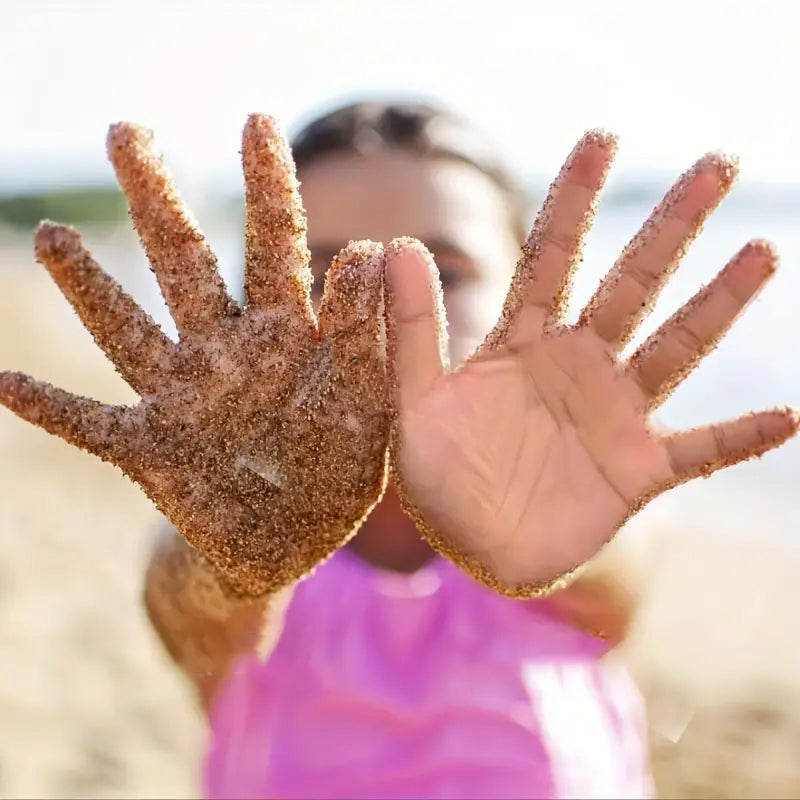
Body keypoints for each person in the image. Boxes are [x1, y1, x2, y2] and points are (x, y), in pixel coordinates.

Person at [1, 100, 795, 800]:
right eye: (325, 272)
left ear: (533, 295)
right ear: (249, 310)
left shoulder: (577, 520)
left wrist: (539, 537)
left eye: (441, 269)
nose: (381, 307)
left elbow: (617, 568)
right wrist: (235, 562)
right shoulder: (230, 548)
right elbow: (189, 605)